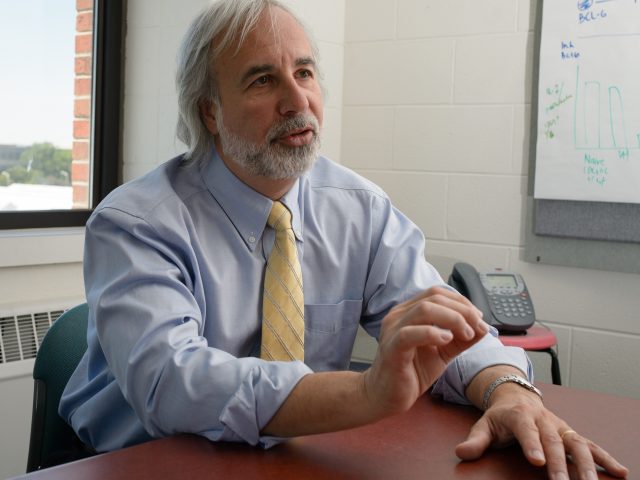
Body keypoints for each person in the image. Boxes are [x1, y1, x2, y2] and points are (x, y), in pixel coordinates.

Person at [60, 1, 628, 478]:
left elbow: (442, 322)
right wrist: (365, 394)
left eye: (304, 73)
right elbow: (173, 385)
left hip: (292, 457)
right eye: (263, 80)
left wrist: (507, 390)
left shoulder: (359, 208)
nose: (296, 100)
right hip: (140, 462)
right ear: (210, 112)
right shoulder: (136, 223)